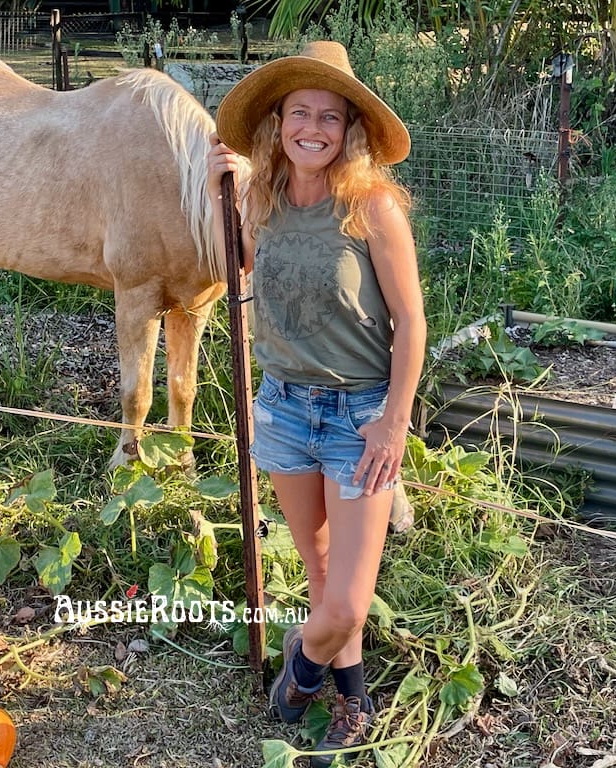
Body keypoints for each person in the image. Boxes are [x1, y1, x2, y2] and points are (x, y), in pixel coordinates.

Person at [206, 41, 426, 766]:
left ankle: (296, 679)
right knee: (322, 572)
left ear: (349, 129)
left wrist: (393, 422)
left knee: (345, 605)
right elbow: (239, 263)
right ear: (278, 122)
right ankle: (354, 697)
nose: (313, 127)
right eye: (299, 111)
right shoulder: (262, 195)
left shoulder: (372, 206)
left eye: (328, 116)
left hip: (358, 416)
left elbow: (412, 323)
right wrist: (222, 192)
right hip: (284, 409)